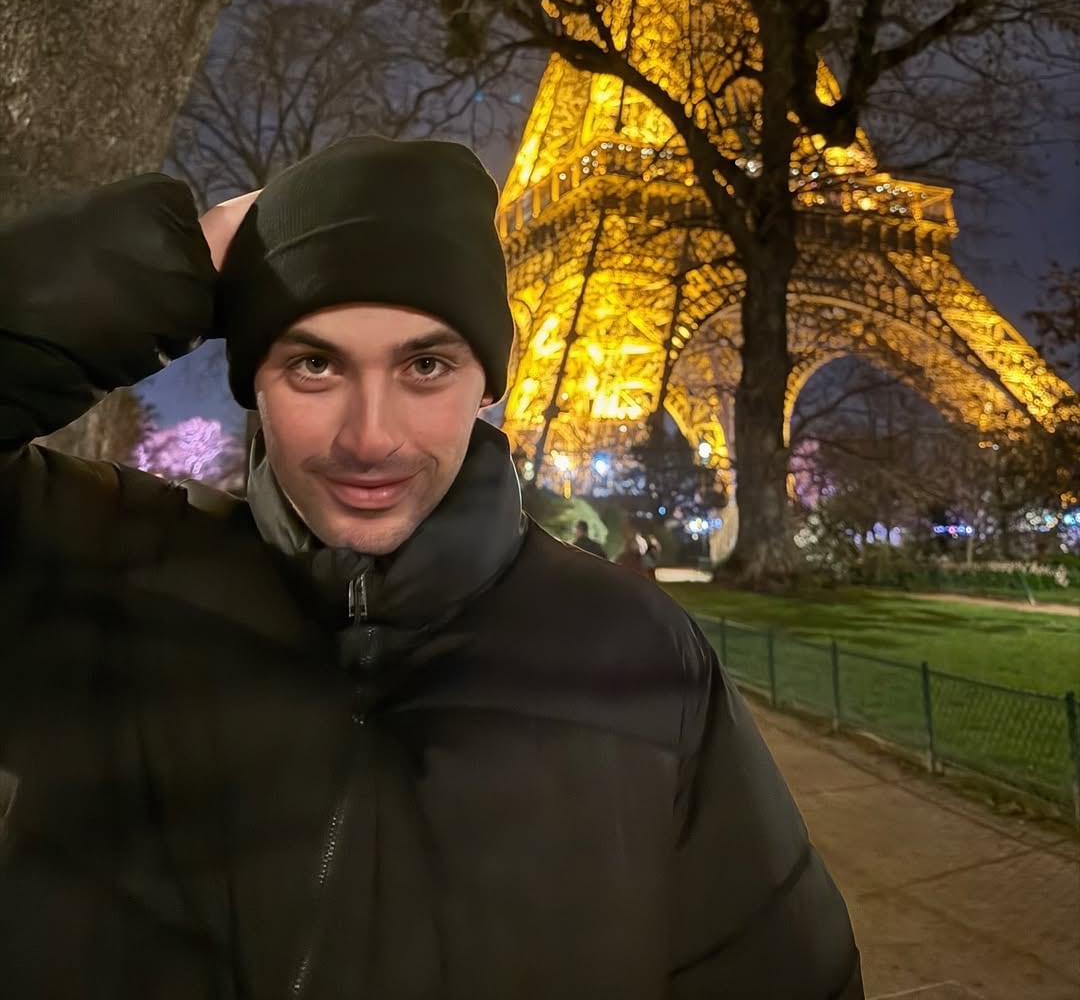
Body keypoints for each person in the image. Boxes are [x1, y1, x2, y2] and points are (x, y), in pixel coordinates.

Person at [0, 136, 863, 999]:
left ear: (488, 380)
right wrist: (181, 255)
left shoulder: (642, 654)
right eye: (313, 362)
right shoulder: (105, 573)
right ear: (250, 376)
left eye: (425, 365)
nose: (370, 437)